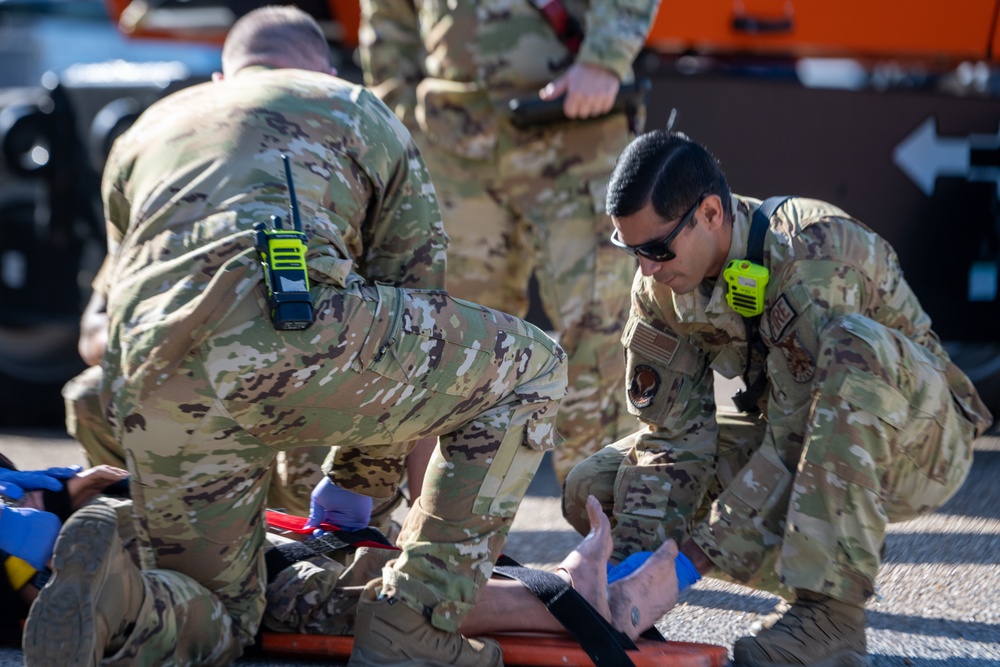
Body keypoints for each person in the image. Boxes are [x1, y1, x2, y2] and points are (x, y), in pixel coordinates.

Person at [23, 7, 569, 667]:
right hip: (295, 348)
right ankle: (415, 621)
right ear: (322, 71)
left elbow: (102, 330)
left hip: (156, 385)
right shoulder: (357, 108)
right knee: (535, 365)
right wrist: (356, 490)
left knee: (222, 611)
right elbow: (415, 306)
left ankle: (122, 600)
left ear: (227, 75)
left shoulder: (147, 130)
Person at [561, 130, 993, 667]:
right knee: (596, 489)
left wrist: (684, 564)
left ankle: (832, 617)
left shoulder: (813, 257)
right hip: (802, 442)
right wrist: (627, 571)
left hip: (917, 443)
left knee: (852, 348)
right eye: (631, 250)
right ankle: (643, 604)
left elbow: (797, 443)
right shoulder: (662, 285)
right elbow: (674, 437)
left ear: (711, 214)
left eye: (655, 248)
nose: (645, 268)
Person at [358, 0, 660, 482]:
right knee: (450, 339)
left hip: (575, 130)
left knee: (601, 332)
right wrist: (403, 120)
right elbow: (388, 24)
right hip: (457, 145)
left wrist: (604, 58)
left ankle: (606, 531)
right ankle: (445, 539)